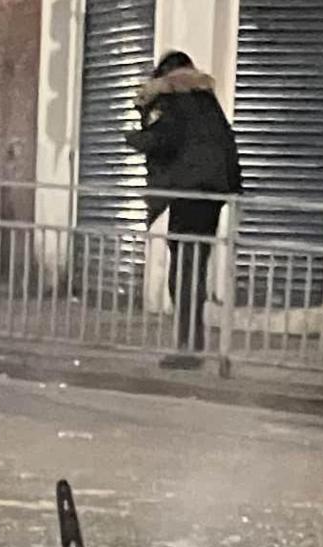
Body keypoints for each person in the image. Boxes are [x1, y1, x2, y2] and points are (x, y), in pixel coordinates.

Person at [127, 50, 241, 362]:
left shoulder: (171, 99)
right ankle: (193, 343)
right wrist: (232, 190)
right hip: (211, 197)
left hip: (188, 195)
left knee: (184, 273)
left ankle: (188, 348)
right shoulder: (206, 101)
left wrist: (135, 136)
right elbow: (227, 145)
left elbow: (163, 139)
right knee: (195, 268)